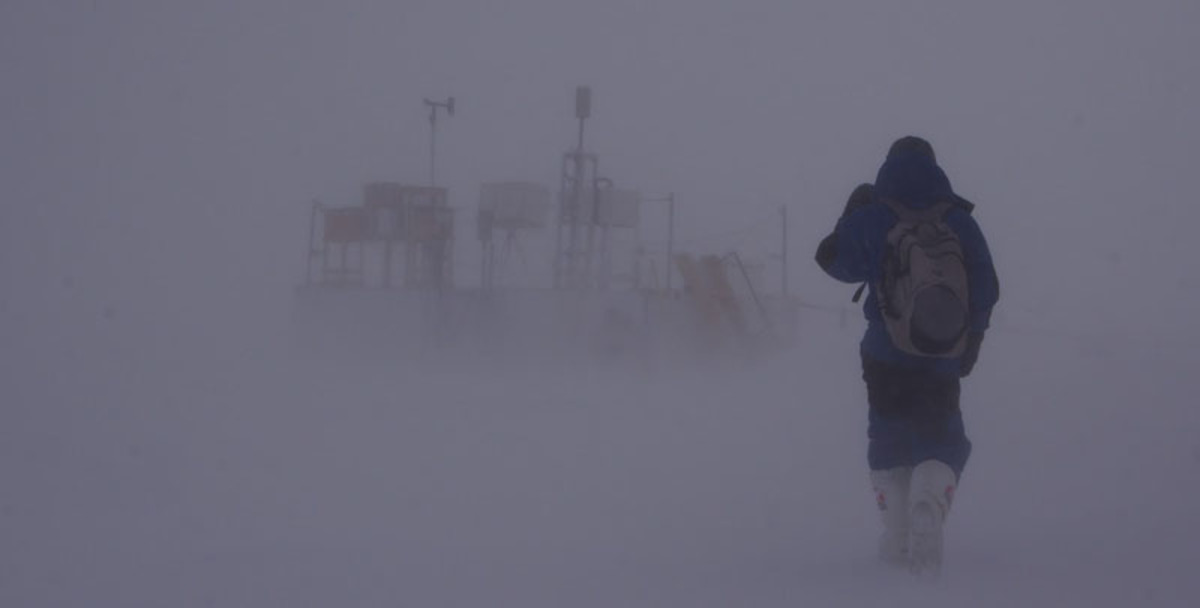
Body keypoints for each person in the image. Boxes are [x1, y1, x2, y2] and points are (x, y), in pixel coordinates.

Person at [815, 136, 999, 576]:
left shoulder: (876, 215)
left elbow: (831, 261)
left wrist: (849, 216)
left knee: (889, 438)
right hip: (942, 355)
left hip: (884, 355)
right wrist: (971, 341)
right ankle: (928, 503)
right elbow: (987, 287)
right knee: (942, 440)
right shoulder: (959, 219)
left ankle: (896, 532)